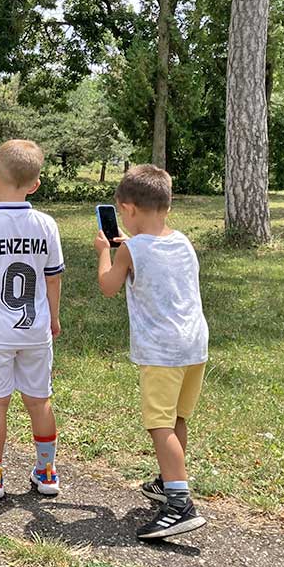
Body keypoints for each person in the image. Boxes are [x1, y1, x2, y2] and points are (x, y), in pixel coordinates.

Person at [94, 164, 209, 539]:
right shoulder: (183, 241)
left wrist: (103, 253)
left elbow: (108, 286)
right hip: (194, 346)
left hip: (162, 352)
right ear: (167, 206)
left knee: (160, 426)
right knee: (177, 419)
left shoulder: (130, 249)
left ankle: (180, 504)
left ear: (126, 209)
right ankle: (166, 482)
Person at [0, 139, 64, 500]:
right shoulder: (47, 225)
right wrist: (54, 315)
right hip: (36, 330)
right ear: (35, 184)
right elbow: (53, 277)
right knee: (40, 400)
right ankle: (46, 472)